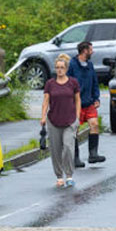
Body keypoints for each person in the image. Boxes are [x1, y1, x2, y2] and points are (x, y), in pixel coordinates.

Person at [41, 54, 82, 188]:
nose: (59, 70)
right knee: (56, 150)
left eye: (62, 68)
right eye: (57, 68)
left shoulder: (73, 82)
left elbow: (77, 100)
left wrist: (77, 117)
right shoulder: (50, 84)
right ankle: (59, 176)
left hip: (70, 121)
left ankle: (69, 175)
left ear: (66, 69)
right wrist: (42, 117)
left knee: (68, 148)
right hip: (54, 120)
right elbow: (46, 102)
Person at [68, 41, 106, 165]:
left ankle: (93, 154)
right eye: (91, 49)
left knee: (94, 124)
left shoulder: (90, 65)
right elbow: (67, 83)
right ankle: (75, 158)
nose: (93, 51)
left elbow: (95, 83)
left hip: (89, 103)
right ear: (85, 50)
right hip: (75, 104)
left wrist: (96, 98)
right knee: (75, 130)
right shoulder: (72, 65)